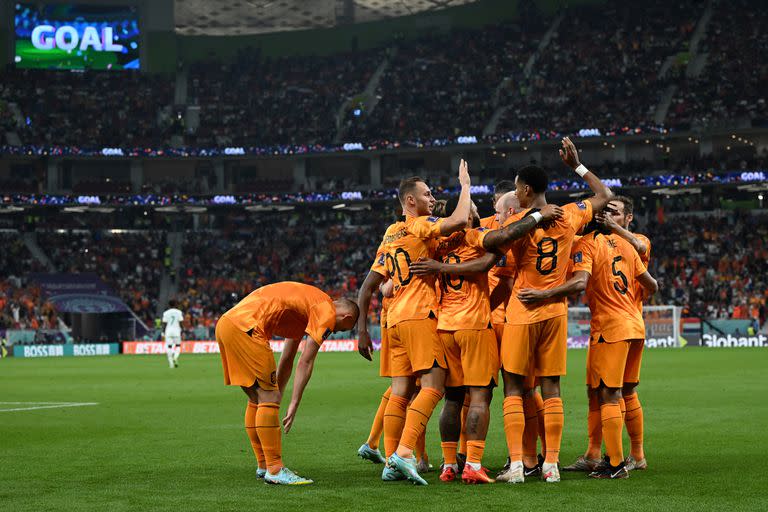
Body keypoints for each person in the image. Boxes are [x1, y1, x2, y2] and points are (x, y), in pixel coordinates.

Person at [495, 137, 614, 483]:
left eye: (518, 190)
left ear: (528, 190)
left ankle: (517, 465)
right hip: (555, 313)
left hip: (522, 310)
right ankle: (551, 466)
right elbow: (605, 195)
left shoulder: (521, 220)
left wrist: (530, 216)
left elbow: (500, 240)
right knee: (552, 388)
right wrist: (577, 165)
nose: (516, 195)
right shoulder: (570, 216)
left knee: (515, 388)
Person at [518, 221, 658, 478]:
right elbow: (652, 284)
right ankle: (603, 456)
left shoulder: (586, 244)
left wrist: (541, 293)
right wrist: (635, 299)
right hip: (634, 325)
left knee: (609, 394)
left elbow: (580, 283)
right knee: (607, 391)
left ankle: (615, 464)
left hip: (610, 327)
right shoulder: (627, 245)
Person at [215, 281, 359, 485]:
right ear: (348, 318)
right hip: (247, 328)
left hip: (227, 324)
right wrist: (293, 403)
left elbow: (288, 358)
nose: (334, 332)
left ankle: (264, 465)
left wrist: (277, 395)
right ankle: (275, 469)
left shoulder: (308, 305)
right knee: (267, 397)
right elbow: (306, 361)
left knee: (258, 399)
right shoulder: (325, 311)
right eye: (340, 329)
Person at [162, 300, 184, 368]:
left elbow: (164, 324)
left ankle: (171, 363)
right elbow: (181, 322)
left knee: (169, 346)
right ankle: (175, 357)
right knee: (178, 346)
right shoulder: (179, 312)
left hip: (168, 331)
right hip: (177, 331)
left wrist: (163, 332)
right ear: (175, 304)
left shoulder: (166, 313)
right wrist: (182, 331)